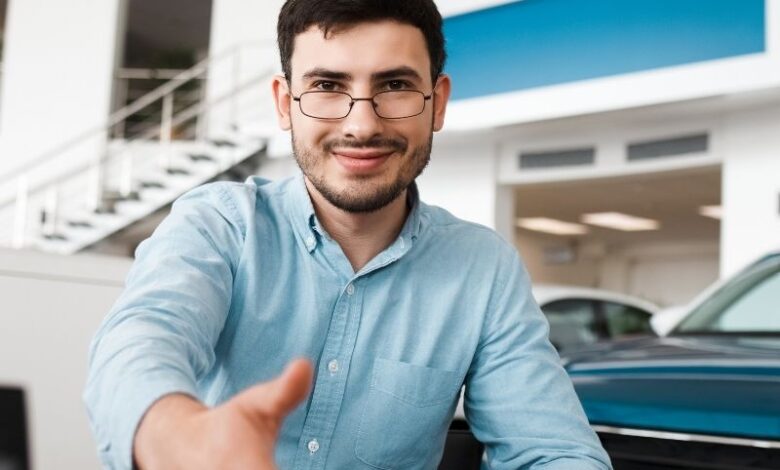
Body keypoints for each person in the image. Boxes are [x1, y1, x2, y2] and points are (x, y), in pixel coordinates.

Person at [84, 1, 613, 469]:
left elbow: (553, 450)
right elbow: (141, 340)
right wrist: (176, 438)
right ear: (284, 104)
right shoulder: (220, 224)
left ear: (439, 103)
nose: (361, 125)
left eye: (396, 85)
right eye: (328, 86)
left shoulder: (484, 268)